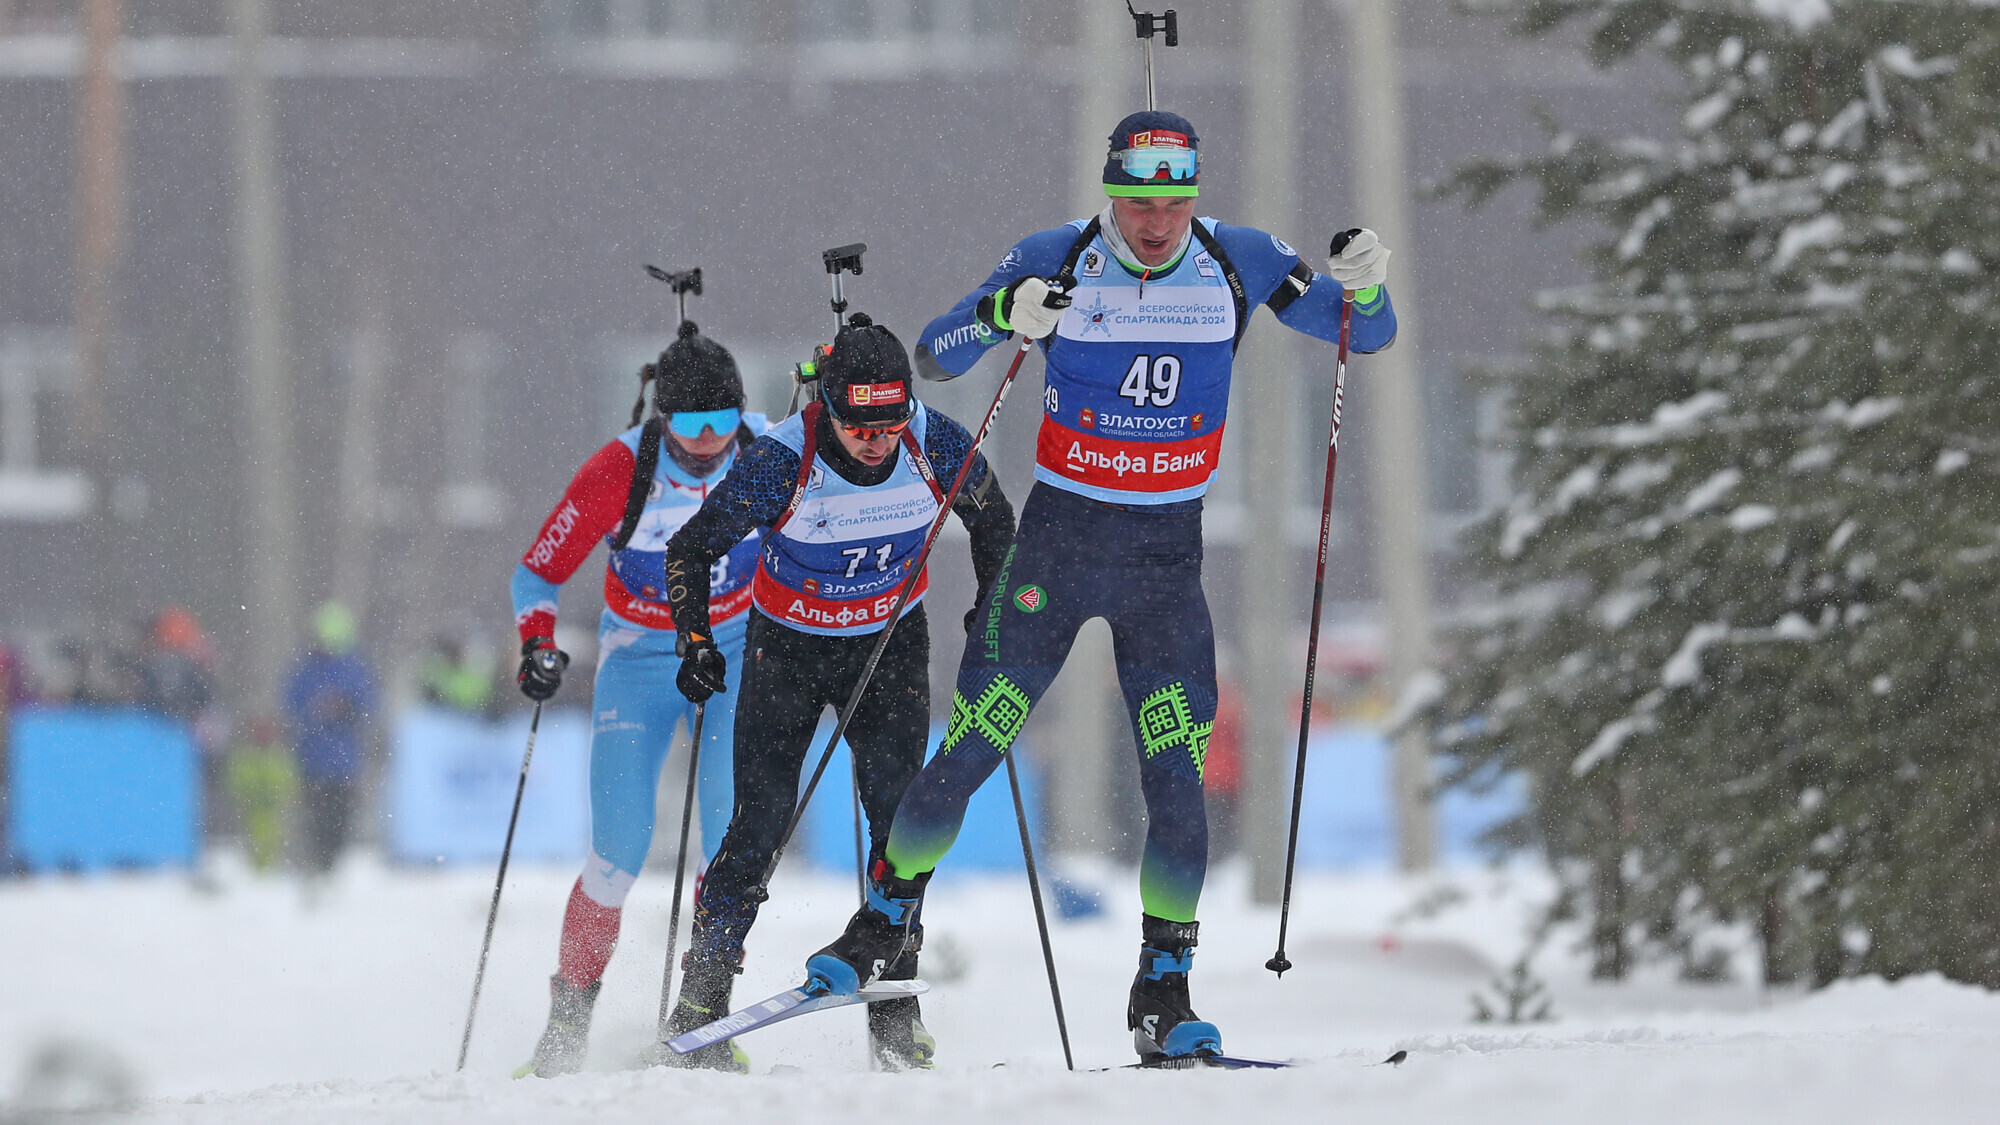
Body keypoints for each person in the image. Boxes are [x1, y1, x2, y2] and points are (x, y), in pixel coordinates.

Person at [805, 110, 1398, 1063]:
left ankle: (1164, 986)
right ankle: (882, 919)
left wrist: (1367, 289)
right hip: (1059, 547)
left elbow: (1361, 335)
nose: (1155, 221)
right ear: (1111, 190)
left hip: (1167, 562)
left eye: (1173, 199)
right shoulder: (1061, 254)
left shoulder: (1238, 258)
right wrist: (1010, 312)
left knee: (1178, 781)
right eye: (1137, 199)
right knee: (971, 747)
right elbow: (936, 351)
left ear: (1193, 194)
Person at [657, 314, 1015, 1071]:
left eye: (888, 423)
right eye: (859, 427)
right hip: (786, 648)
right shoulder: (780, 461)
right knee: (759, 825)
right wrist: (692, 641)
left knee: (899, 828)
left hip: (886, 649)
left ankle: (895, 1012)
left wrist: (992, 612)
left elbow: (997, 522)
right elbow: (691, 547)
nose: (877, 441)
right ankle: (703, 992)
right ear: (830, 410)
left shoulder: (934, 441)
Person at [513, 321, 768, 1078]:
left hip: (731, 654)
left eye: (724, 423)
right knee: (619, 849)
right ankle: (564, 1030)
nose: (708, 442)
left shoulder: (768, 448)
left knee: (733, 845)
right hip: (640, 658)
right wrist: (537, 642)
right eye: (690, 425)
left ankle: (705, 1017)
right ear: (662, 419)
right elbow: (537, 574)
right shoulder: (616, 470)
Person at [283, 602, 377, 881]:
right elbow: (292, 703)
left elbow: (368, 703)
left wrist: (345, 708)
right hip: (312, 759)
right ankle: (313, 862)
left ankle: (332, 866)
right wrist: (316, 711)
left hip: (343, 761)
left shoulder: (353, 668)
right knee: (314, 816)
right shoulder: (306, 668)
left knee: (339, 817)